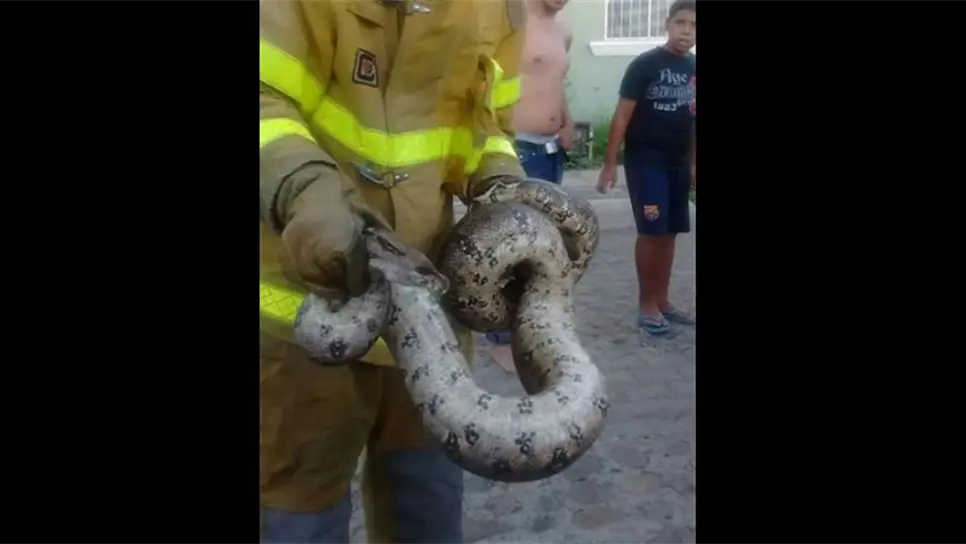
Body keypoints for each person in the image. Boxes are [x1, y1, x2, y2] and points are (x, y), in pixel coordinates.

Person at [258, 0, 531, 542]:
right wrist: (303, 185)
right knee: (299, 513)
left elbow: (488, 126)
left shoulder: (499, 9)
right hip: (304, 314)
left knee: (425, 503)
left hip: (430, 319)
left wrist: (500, 180)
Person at [596, 0, 696, 335]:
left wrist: (694, 163)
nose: (686, 31)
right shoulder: (644, 65)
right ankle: (646, 305)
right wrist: (610, 165)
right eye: (681, 22)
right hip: (646, 162)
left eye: (694, 26)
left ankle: (664, 302)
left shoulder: (694, 68)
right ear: (668, 24)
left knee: (669, 235)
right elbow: (622, 116)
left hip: (678, 165)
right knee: (651, 233)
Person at [486, 0, 573, 351]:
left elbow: (556, 81)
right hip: (519, 148)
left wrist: (566, 118)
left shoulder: (563, 32)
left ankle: (534, 318)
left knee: (548, 239)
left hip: (551, 149)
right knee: (514, 240)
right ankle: (501, 333)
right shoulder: (512, 22)